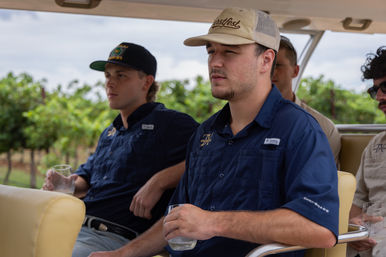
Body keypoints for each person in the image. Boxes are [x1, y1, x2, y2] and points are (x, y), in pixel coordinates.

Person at [89, 8, 339, 257]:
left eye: (230, 51)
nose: (215, 62)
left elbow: (319, 227)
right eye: (211, 52)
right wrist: (121, 254)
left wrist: (213, 222)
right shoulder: (205, 133)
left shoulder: (299, 129)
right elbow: (174, 220)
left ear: (266, 60)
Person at [42, 42, 199, 257]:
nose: (110, 83)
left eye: (121, 75)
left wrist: (160, 180)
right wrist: (65, 184)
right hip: (71, 227)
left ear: (147, 82)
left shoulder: (170, 124)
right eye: (107, 75)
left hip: (113, 239)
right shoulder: (109, 133)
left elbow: (211, 156)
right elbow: (84, 180)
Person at [272, 36, 341, 165]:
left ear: (295, 71)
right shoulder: (239, 121)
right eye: (265, 64)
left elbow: (324, 180)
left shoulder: (321, 127)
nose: (270, 72)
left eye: (277, 66)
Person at [348, 46, 386, 257]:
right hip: (368, 243)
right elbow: (358, 201)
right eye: (374, 90)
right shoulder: (375, 145)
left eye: (385, 87)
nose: (379, 96)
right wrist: (354, 224)